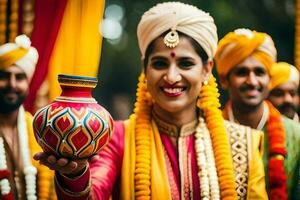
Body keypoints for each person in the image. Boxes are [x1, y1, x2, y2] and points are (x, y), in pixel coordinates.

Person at [34, 2, 267, 199]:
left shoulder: (244, 142)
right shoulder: (116, 137)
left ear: (207, 70)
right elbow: (94, 191)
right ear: (144, 70)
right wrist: (75, 174)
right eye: (159, 64)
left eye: (185, 63)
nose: (172, 77)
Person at [215, 28, 300, 200]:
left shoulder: (296, 135)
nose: (252, 81)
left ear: (269, 79)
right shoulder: (208, 133)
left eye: (259, 72)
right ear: (224, 80)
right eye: (242, 72)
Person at [0, 34, 55, 199]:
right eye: (4, 76)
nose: (12, 84)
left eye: (19, 77)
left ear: (28, 82)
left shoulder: (40, 130)